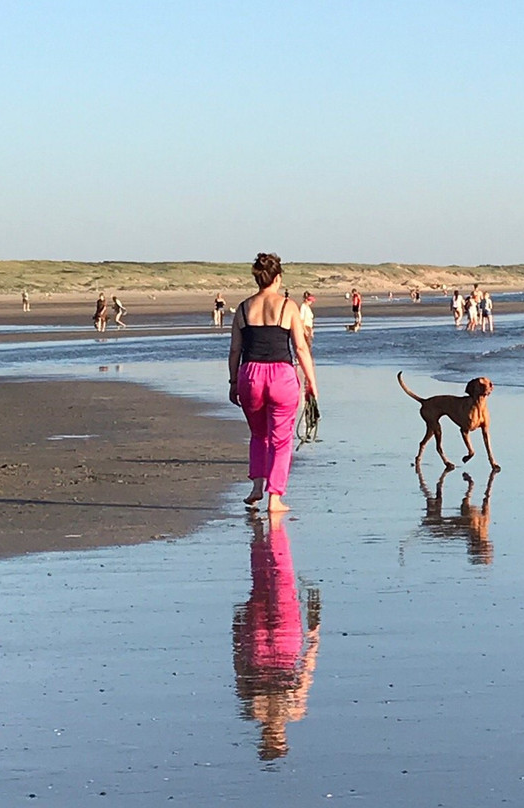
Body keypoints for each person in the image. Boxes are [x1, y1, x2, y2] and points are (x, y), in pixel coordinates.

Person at [228, 253, 319, 513]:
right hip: (281, 375)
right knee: (281, 440)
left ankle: (257, 486)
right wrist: (311, 382)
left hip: (250, 374)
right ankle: (274, 498)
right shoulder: (288, 306)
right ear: (277, 278)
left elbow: (235, 350)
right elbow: (300, 348)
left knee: (258, 435)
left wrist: (234, 382)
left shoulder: (244, 307)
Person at [233, 514, 320, 759]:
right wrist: (314, 639)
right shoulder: (292, 711)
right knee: (276, 586)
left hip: (265, 650)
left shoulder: (254, 711)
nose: (274, 735)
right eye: (278, 739)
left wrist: (237, 636)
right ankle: (268, 537)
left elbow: (240, 672)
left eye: (272, 740)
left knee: (265, 587)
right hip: (279, 648)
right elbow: (305, 674)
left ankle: (265, 537)